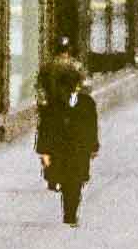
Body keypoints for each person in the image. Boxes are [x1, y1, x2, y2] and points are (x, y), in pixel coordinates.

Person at [36, 55, 102, 226]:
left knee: (74, 182)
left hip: (73, 149)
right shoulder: (77, 103)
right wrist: (93, 146)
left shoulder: (81, 103)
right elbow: (46, 127)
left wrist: (93, 146)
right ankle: (70, 212)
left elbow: (91, 126)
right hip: (70, 149)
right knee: (71, 181)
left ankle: (70, 213)